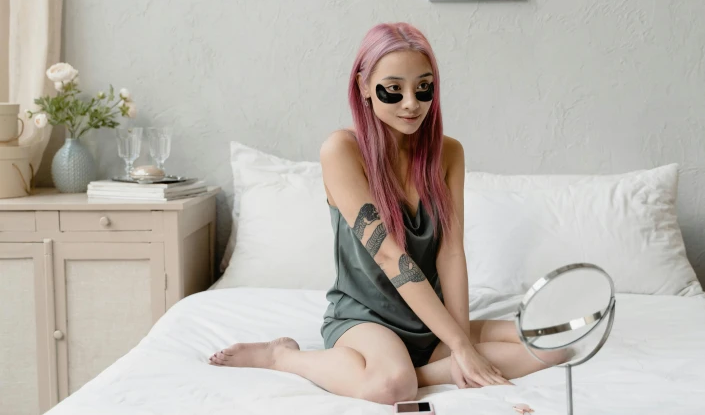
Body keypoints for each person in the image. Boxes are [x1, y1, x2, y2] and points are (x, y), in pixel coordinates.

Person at [209, 22, 562, 404]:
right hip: (365, 317)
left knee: (555, 347)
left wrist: (454, 339)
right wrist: (462, 345)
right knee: (391, 387)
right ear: (363, 86)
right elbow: (388, 254)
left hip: (431, 317)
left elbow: (451, 252)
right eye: (393, 90)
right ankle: (283, 356)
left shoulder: (449, 154)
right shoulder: (341, 150)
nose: (412, 103)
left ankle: (430, 366)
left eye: (423, 87)